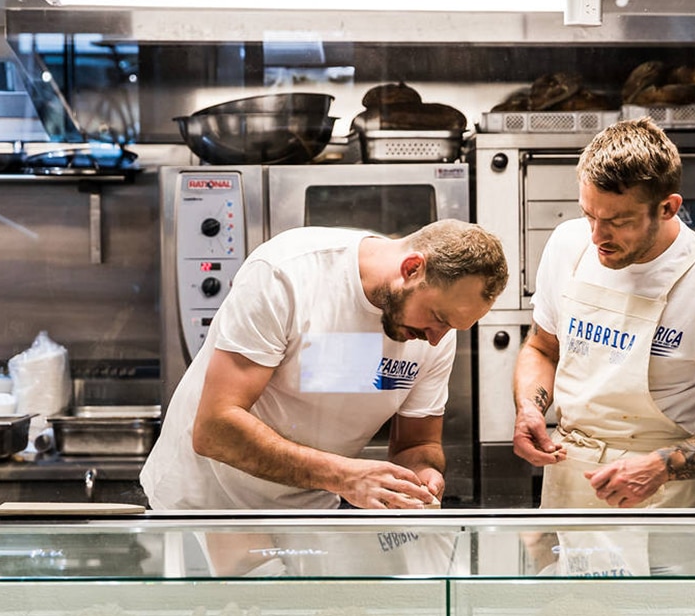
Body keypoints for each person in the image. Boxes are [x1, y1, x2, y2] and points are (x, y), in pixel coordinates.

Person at [142, 219, 507, 575]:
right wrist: (345, 477)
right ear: (412, 268)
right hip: (209, 505)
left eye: (452, 327)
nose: (436, 339)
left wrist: (421, 474)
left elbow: (418, 442)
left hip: (309, 509)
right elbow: (215, 428)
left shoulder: (431, 336)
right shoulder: (286, 274)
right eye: (437, 318)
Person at [511, 117, 695, 575]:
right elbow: (542, 348)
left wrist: (663, 467)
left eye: (618, 221)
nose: (597, 236)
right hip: (567, 485)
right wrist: (530, 409)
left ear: (668, 207)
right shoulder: (568, 246)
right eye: (589, 214)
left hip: (661, 499)